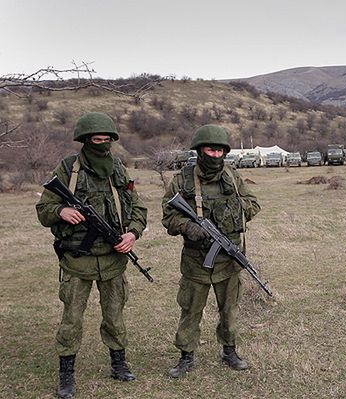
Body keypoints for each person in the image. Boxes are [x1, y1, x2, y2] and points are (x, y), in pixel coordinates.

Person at [36, 112, 147, 399]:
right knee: (72, 319)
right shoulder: (68, 170)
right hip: (76, 260)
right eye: (96, 139)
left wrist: (132, 234)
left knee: (114, 316)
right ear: (85, 140)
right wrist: (62, 210)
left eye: (107, 139)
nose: (102, 144)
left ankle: (119, 364)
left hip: (113, 259)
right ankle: (66, 374)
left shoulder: (118, 170)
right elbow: (44, 209)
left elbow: (138, 209)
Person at [161, 124, 260, 377]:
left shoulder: (233, 176)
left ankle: (229, 351)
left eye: (219, 151)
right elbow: (169, 216)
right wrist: (188, 226)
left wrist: (232, 215)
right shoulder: (182, 179)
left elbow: (253, 204)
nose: (215, 155)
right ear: (199, 150)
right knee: (191, 309)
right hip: (196, 261)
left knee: (229, 309)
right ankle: (186, 356)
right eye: (210, 150)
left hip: (229, 260)